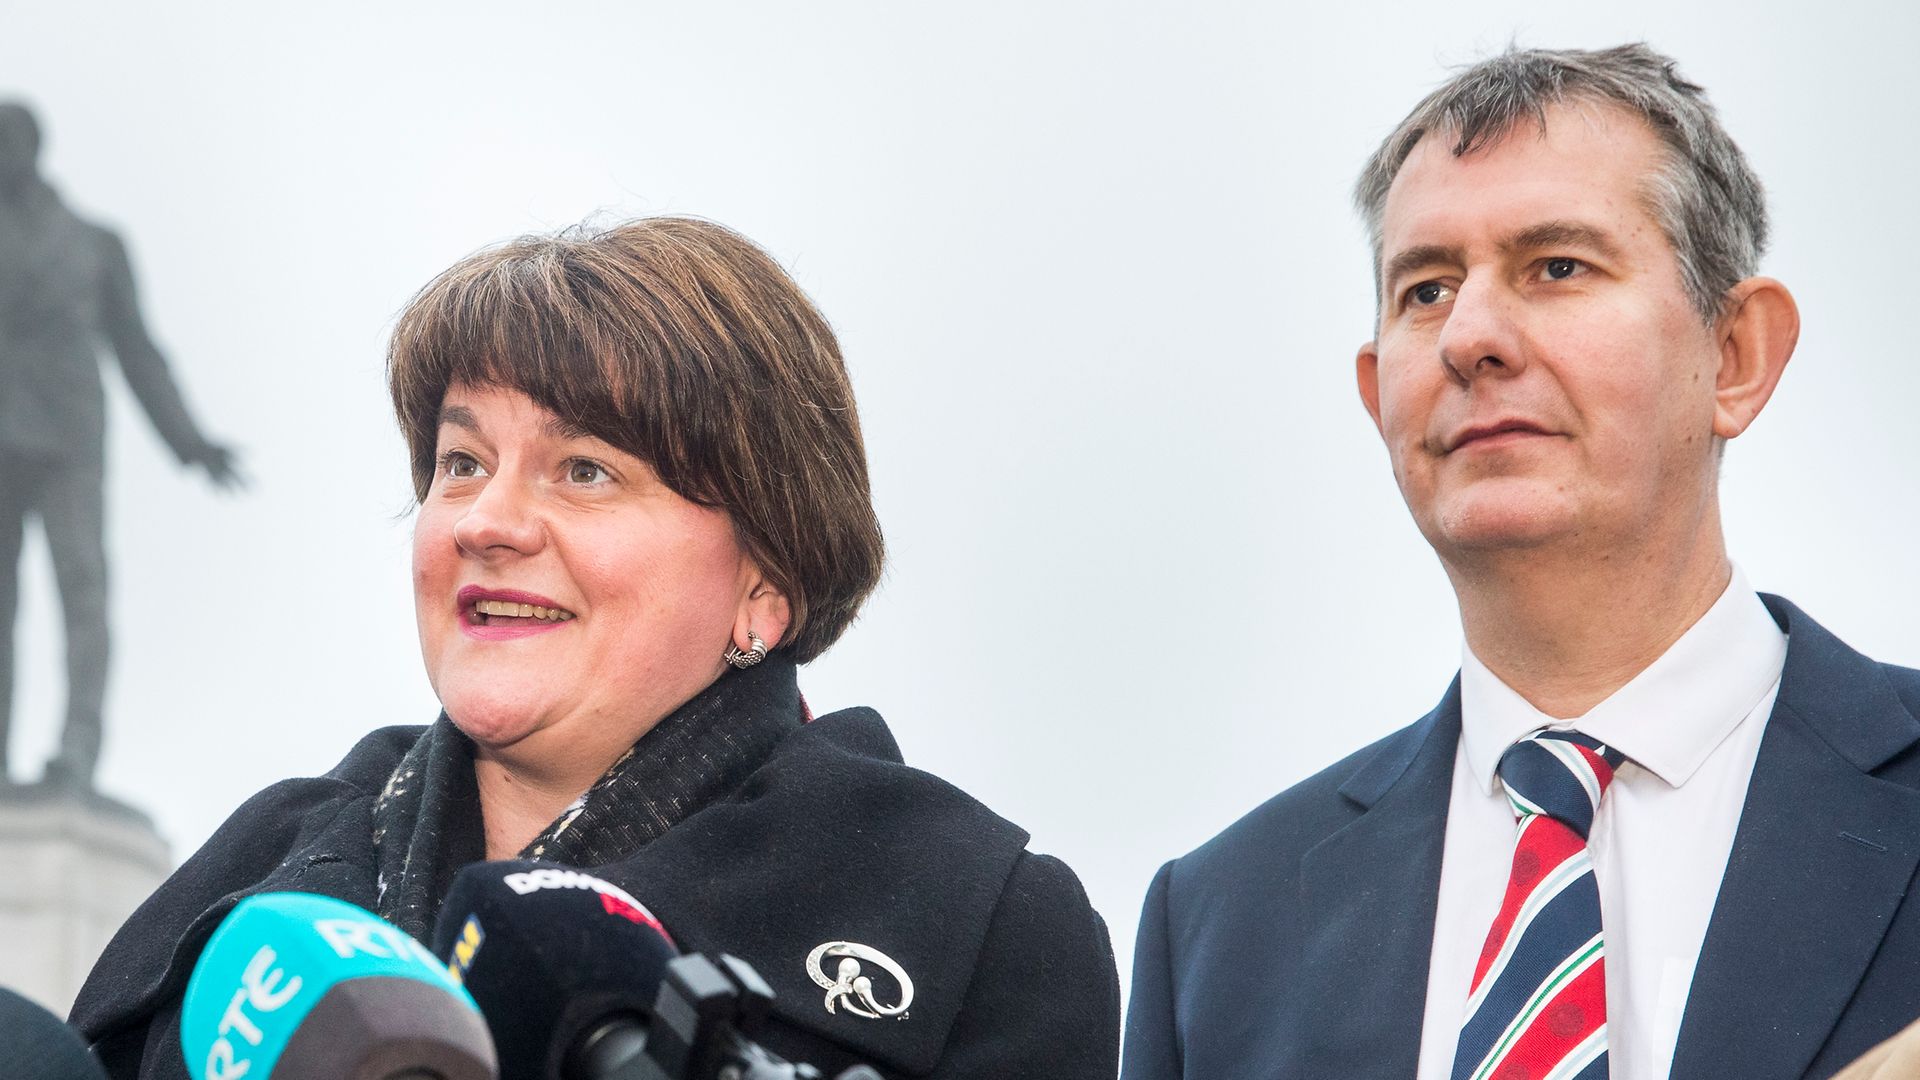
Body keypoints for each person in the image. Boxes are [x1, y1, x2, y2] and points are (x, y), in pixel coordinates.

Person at [69, 217, 1120, 1078]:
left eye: (584, 470)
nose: (488, 521)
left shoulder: (974, 919)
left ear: (768, 584)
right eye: (462, 461)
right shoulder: (251, 887)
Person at [1121, 44, 1920, 1080]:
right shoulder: (1222, 925)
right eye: (1426, 289)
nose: (1471, 337)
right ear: (1378, 398)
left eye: (1557, 266)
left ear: (1736, 357)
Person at [0, 101, 242, 790]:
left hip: (68, 434)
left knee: (83, 591)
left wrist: (192, 443)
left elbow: (136, 349)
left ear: (33, 149)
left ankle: (77, 749)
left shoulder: (93, 243)